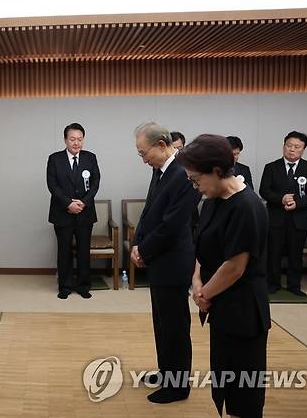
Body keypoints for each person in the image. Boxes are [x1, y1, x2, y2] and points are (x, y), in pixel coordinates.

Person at [177, 134, 270, 418]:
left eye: (196, 179)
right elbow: (200, 248)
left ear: (217, 170)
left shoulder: (247, 206)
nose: (195, 187)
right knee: (225, 377)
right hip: (220, 304)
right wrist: (197, 283)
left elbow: (234, 267)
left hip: (243, 309)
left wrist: (203, 294)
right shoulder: (212, 201)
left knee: (244, 387)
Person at [131, 122, 200, 403]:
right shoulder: (160, 170)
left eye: (143, 153)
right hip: (158, 257)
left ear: (161, 145)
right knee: (161, 322)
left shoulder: (183, 174)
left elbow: (172, 225)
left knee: (175, 326)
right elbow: (150, 211)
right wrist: (136, 243)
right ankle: (166, 371)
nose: (143, 159)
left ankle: (178, 386)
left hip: (173, 260)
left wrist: (144, 250)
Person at [259, 131, 307, 296]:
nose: (292, 149)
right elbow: (264, 190)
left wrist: (297, 203)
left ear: (303, 149)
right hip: (276, 217)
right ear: (284, 146)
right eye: (289, 145)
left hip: (299, 218)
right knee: (274, 253)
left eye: (297, 147)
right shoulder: (271, 167)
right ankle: (273, 284)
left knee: (296, 253)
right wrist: (281, 199)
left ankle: (294, 286)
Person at [47, 123, 101, 299]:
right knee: (64, 250)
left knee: (84, 250)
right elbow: (52, 185)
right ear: (65, 140)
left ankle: (84, 285)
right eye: (72, 139)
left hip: (85, 212)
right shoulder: (54, 159)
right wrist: (68, 204)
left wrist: (84, 203)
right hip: (62, 212)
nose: (76, 143)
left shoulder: (90, 158)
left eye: (79, 139)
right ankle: (65, 286)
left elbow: (95, 183)